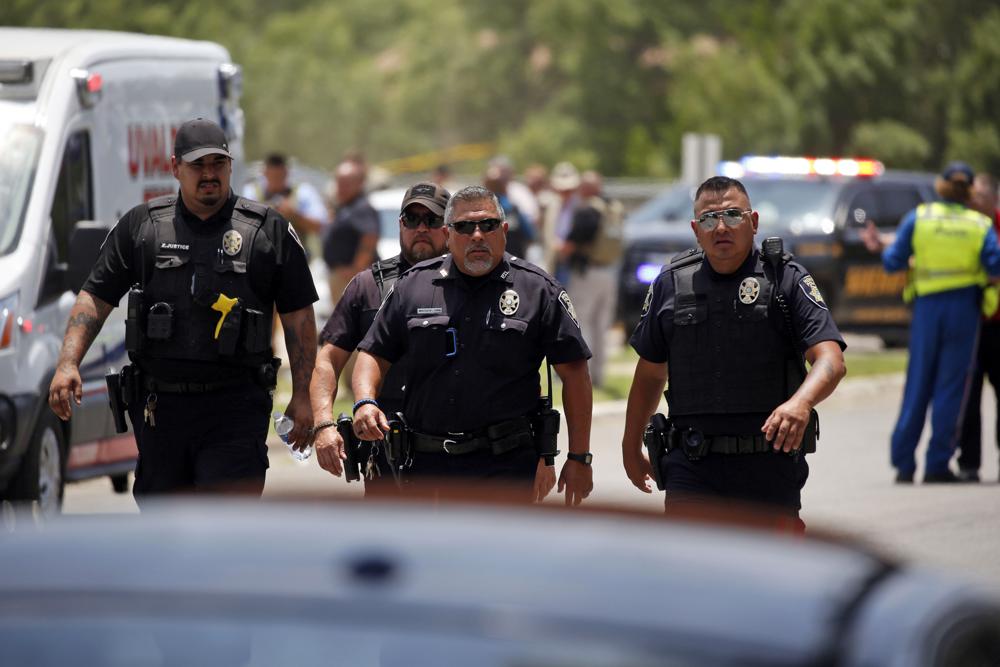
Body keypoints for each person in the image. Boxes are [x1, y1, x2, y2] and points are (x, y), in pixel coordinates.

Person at [47, 118, 318, 505]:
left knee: (224, 531)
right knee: (163, 535)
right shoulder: (142, 227)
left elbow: (299, 318)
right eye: (197, 165)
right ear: (176, 168)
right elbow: (95, 296)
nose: (209, 174)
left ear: (229, 166)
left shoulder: (267, 231)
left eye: (217, 163)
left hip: (236, 408)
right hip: (161, 412)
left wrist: (304, 396)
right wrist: (68, 362)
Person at [621, 176, 846, 529]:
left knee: (770, 575)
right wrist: (630, 444)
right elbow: (650, 373)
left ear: (753, 222)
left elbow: (830, 358)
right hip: (691, 467)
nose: (721, 227)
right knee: (691, 573)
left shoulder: (786, 278)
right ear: (696, 230)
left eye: (732, 215)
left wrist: (801, 403)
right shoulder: (671, 283)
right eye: (709, 219)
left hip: (767, 467)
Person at [351, 185, 595, 505]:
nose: (477, 235)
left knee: (497, 556)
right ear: (448, 234)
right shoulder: (413, 286)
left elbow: (575, 373)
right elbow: (372, 353)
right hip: (426, 467)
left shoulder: (538, 289)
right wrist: (364, 401)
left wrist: (579, 458)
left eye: (488, 225)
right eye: (464, 227)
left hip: (506, 467)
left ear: (504, 231)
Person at [862, 162, 1000, 483]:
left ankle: (903, 464)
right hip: (964, 310)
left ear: (940, 186)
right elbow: (994, 268)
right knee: (951, 388)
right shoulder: (979, 225)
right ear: (968, 191)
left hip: (927, 310)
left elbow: (893, 262)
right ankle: (937, 464)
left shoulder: (920, 217)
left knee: (917, 385)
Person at [310, 182, 450, 492]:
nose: (421, 228)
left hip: (456, 447)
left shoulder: (471, 283)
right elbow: (328, 359)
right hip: (387, 444)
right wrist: (323, 424)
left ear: (449, 226)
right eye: (412, 219)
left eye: (432, 220)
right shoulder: (368, 286)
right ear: (401, 225)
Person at [559, 170, 623, 387]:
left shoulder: (588, 210)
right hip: (609, 272)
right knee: (601, 326)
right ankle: (598, 377)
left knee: (582, 322)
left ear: (586, 189)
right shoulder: (614, 207)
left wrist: (558, 254)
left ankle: (582, 375)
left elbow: (572, 242)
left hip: (588, 272)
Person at [957, 174, 1000, 482]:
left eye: (980, 196)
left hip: (998, 326)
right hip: (971, 324)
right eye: (972, 196)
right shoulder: (967, 226)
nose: (974, 201)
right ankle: (968, 464)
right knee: (968, 397)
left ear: (993, 199)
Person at [322, 159, 380, 310]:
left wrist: (355, 272)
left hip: (351, 280)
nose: (341, 188)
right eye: (339, 183)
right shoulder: (345, 207)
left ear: (359, 184)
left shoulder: (361, 207)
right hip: (343, 278)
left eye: (346, 183)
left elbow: (370, 238)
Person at [242, 153, 329, 251]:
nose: (276, 180)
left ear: (286, 173)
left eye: (279, 176)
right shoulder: (251, 193)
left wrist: (294, 215)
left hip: (296, 257)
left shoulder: (303, 193)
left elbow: (320, 226)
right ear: (265, 173)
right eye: (273, 176)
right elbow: (240, 223)